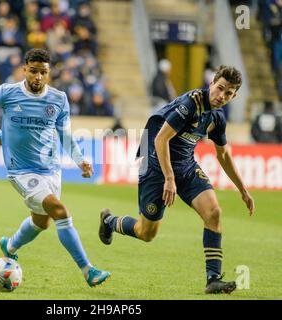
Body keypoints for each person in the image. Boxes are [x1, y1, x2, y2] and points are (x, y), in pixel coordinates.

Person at [98, 65, 255, 294]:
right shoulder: (191, 104)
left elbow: (223, 154)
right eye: (220, 88)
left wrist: (242, 189)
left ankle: (212, 279)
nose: (222, 96)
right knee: (146, 233)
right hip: (154, 161)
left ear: (234, 96)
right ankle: (109, 221)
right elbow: (161, 139)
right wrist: (169, 179)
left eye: (228, 93)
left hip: (185, 165)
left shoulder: (217, 117)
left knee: (214, 213)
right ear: (211, 83)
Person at [0, 48, 110, 287]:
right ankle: (88, 270)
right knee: (59, 210)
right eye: (34, 71)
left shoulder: (58, 99)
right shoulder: (8, 93)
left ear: (49, 73)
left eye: (44, 72)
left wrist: (80, 160)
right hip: (21, 171)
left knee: (42, 222)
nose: (38, 77)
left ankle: (10, 246)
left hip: (51, 170)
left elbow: (65, 135)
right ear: (25, 70)